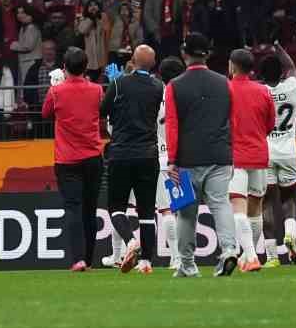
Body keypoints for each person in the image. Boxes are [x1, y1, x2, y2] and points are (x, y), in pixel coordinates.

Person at [164, 32, 240, 278]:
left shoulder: (174, 86)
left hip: (187, 158)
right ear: (207, 54)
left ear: (184, 54)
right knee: (221, 204)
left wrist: (172, 161)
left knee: (186, 213)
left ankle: (187, 264)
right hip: (219, 155)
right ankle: (229, 248)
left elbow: (172, 127)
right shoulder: (225, 83)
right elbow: (233, 120)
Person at [101, 44, 164, 274]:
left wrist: (117, 89)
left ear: (133, 62)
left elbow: (103, 110)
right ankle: (147, 262)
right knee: (147, 210)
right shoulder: (159, 86)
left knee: (116, 207)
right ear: (153, 64)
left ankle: (130, 241)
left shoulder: (118, 83)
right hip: (148, 154)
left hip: (121, 153)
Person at [41, 47, 103, 272]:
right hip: (93, 157)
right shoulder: (97, 90)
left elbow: (46, 113)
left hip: (67, 160)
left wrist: (54, 86)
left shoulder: (56, 92)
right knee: (90, 210)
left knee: (74, 208)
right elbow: (101, 111)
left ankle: (78, 260)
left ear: (64, 68)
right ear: (85, 67)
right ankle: (89, 259)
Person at [225, 48, 276, 272]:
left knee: (238, 206)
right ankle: (249, 256)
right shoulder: (263, 90)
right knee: (255, 208)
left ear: (233, 66)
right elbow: (270, 124)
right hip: (259, 154)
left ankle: (251, 256)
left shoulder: (225, 89)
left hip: (235, 156)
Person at [258, 44, 296, 266]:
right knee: (288, 199)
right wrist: (278, 47)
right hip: (288, 152)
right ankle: (290, 236)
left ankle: (272, 256)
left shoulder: (259, 93)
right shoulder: (292, 87)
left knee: (265, 203)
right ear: (282, 73)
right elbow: (292, 66)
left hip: (265, 152)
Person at [152, 56, 186, 269]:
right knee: (181, 210)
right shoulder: (185, 95)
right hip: (182, 158)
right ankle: (182, 256)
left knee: (165, 210)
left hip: (160, 157)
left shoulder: (155, 96)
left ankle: (175, 257)